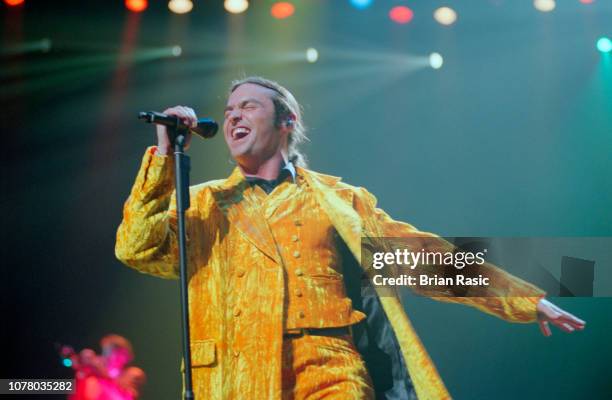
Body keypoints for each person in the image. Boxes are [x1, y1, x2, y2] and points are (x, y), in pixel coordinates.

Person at [115, 76, 585, 399]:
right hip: (233, 373)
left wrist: (525, 299)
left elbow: (422, 257)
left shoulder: (339, 200)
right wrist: (163, 155)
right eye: (229, 109)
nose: (234, 115)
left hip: (328, 366)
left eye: (249, 106)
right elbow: (136, 247)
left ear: (286, 122)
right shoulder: (202, 203)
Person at [68, 334, 146, 400]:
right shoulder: (92, 376)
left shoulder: (123, 387)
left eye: (107, 353)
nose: (103, 358)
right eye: (104, 352)